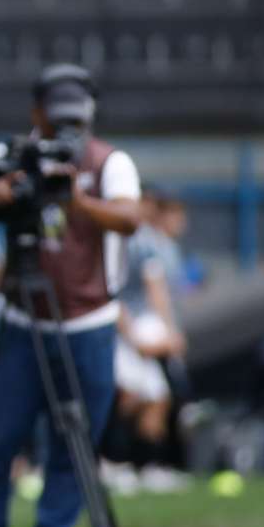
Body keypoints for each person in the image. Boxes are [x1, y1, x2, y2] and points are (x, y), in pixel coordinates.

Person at [0, 63, 140, 527]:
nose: (66, 136)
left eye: (76, 124)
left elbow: (129, 218)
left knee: (74, 444)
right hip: (22, 320)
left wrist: (78, 201)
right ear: (37, 114)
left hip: (88, 322)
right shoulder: (11, 156)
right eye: (57, 125)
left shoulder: (109, 162)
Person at [108, 186, 188, 490]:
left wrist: (169, 331)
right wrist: (132, 337)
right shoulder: (116, 240)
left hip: (140, 329)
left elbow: (158, 293)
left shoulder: (147, 242)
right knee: (126, 396)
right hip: (121, 331)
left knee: (156, 397)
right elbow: (112, 294)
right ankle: (112, 460)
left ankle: (149, 464)